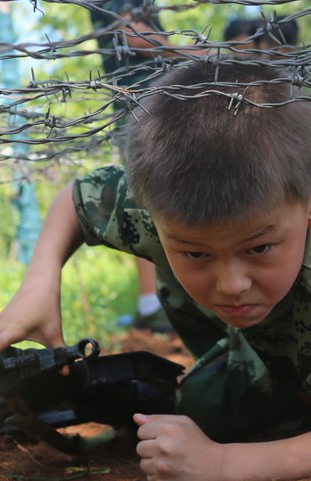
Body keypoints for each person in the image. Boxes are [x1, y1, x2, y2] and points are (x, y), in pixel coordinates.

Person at [0, 61, 311, 481]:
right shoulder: (163, 201)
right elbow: (77, 200)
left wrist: (220, 465)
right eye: (195, 251)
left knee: (310, 419)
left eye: (258, 248)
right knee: (203, 403)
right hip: (305, 261)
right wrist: (38, 284)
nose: (231, 283)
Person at [88, 0, 205, 333]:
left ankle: (161, 302)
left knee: (158, 199)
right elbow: (132, 34)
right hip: (143, 104)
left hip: (147, 100)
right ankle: (159, 304)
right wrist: (195, 55)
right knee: (154, 200)